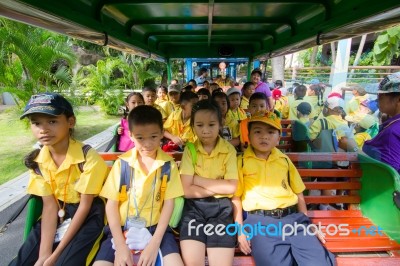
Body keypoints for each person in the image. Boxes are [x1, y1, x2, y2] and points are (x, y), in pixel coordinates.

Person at [11, 93, 108, 266]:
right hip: (57, 212)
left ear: (70, 122)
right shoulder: (37, 162)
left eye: (52, 121)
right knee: (24, 261)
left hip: (89, 214)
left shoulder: (88, 157)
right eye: (36, 123)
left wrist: (55, 255)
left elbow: (85, 206)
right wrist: (44, 254)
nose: (43, 129)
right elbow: (49, 206)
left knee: (65, 262)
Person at [231, 112, 335, 266]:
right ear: (249, 135)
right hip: (259, 223)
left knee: (318, 261)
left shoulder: (284, 161)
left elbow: (299, 194)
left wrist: (307, 222)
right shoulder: (241, 162)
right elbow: (236, 199)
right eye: (257, 131)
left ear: (278, 138)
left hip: (293, 220)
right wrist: (240, 232)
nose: (264, 137)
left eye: (271, 132)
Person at [94, 105, 184, 266]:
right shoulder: (122, 165)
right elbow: (111, 206)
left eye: (153, 136)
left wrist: (154, 243)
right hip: (121, 229)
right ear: (131, 136)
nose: (147, 144)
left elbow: (169, 204)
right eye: (140, 138)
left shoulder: (168, 166)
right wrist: (120, 245)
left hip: (157, 229)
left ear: (162, 134)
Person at [179, 100, 238, 266]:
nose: (205, 131)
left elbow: (232, 187)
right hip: (193, 209)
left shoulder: (229, 150)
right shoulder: (190, 150)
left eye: (211, 124)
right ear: (193, 126)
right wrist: (219, 187)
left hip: (222, 211)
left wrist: (197, 180)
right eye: (199, 125)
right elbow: (186, 190)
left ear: (220, 124)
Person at [363, 72, 400, 173]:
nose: (377, 98)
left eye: (381, 95)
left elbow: (388, 174)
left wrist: (352, 147)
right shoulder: (393, 125)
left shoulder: (392, 132)